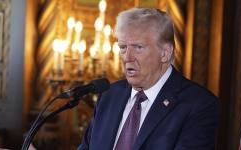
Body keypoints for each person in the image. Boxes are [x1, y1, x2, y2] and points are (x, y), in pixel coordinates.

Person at [78, 7, 219, 150]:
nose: (127, 57)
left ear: (165, 53)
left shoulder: (199, 104)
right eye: (123, 47)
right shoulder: (109, 95)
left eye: (138, 47)